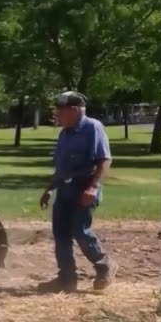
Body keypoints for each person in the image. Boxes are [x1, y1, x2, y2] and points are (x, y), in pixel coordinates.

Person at [38, 91, 115, 293]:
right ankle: (66, 279)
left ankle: (104, 265)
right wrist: (48, 189)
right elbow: (61, 168)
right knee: (61, 234)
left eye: (60, 111)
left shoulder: (93, 128)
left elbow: (104, 160)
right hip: (64, 189)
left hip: (84, 187)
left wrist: (93, 187)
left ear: (74, 111)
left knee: (80, 230)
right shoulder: (64, 134)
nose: (57, 115)